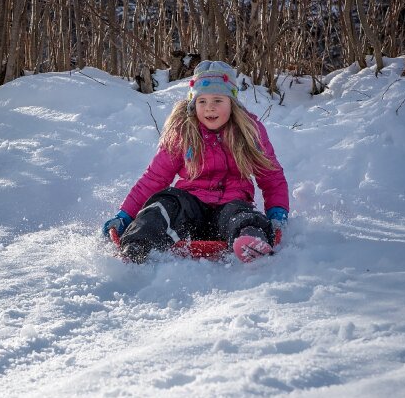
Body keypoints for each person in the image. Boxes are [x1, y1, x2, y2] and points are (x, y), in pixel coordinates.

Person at [103, 60, 289, 263]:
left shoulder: (250, 132)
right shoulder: (183, 133)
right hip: (189, 206)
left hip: (231, 204)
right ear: (193, 103)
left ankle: (251, 240)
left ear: (232, 102)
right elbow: (154, 178)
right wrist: (125, 214)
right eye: (202, 101)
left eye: (218, 100)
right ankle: (138, 244)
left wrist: (277, 211)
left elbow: (271, 175)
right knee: (163, 205)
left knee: (243, 215)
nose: (210, 108)